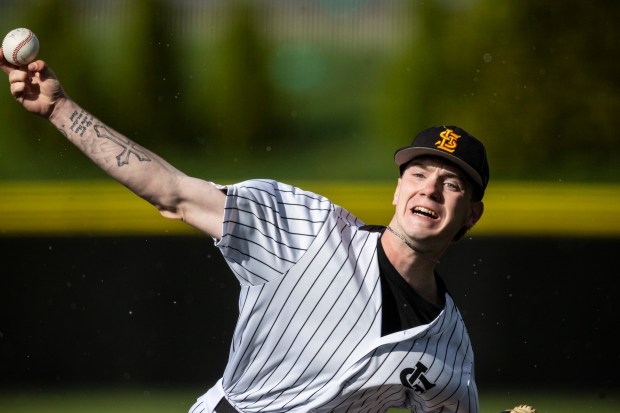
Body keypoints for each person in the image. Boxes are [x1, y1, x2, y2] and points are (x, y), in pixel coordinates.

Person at [1, 50, 488, 413]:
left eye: (450, 184)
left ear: (470, 215)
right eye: (419, 175)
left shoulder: (449, 349)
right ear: (398, 189)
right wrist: (60, 108)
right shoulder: (307, 231)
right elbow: (171, 190)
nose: (430, 191)